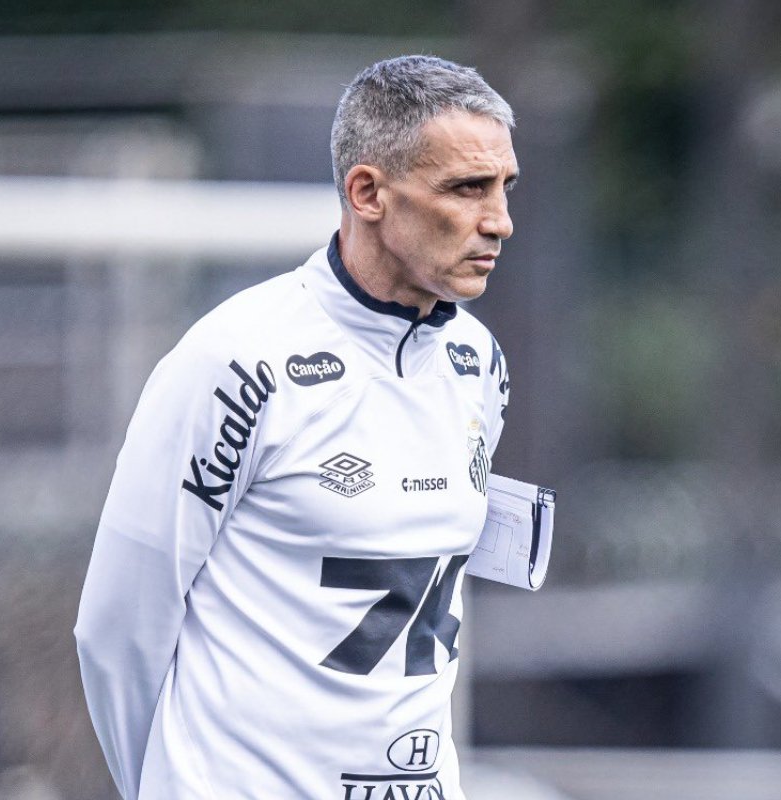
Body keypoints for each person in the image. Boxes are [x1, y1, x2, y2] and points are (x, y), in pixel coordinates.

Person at [75, 54, 517, 800]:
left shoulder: (479, 361)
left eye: (506, 187)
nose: (499, 219)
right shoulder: (236, 358)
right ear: (367, 192)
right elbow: (118, 628)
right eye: (467, 188)